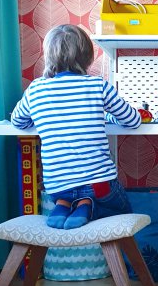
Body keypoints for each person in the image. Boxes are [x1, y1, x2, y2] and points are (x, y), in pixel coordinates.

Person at [11, 24, 141, 229]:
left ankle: (64, 205)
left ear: (49, 56)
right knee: (121, 211)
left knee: (66, 193)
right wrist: (105, 115)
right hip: (99, 187)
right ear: (87, 56)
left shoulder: (36, 89)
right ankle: (87, 205)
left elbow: (18, 121)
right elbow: (133, 120)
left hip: (57, 186)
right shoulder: (98, 85)